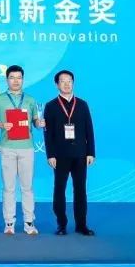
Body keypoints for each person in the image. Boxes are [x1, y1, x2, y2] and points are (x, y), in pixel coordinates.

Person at [0, 65, 45, 236]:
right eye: (12, 77)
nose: (15, 81)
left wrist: (40, 123)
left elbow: (35, 122)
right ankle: (9, 222)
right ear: (7, 80)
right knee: (9, 187)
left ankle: (29, 222)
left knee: (27, 187)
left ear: (23, 79)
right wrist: (2, 125)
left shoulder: (30, 100)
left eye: (19, 77)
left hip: (27, 148)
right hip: (7, 147)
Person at [43, 70, 96, 236]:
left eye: (69, 81)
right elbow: (48, 133)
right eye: (62, 81)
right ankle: (61, 224)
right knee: (59, 189)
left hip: (80, 154)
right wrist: (50, 155)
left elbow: (89, 129)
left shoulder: (82, 104)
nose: (66, 84)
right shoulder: (50, 106)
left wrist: (91, 152)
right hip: (60, 155)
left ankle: (81, 225)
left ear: (73, 83)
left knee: (80, 190)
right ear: (57, 84)